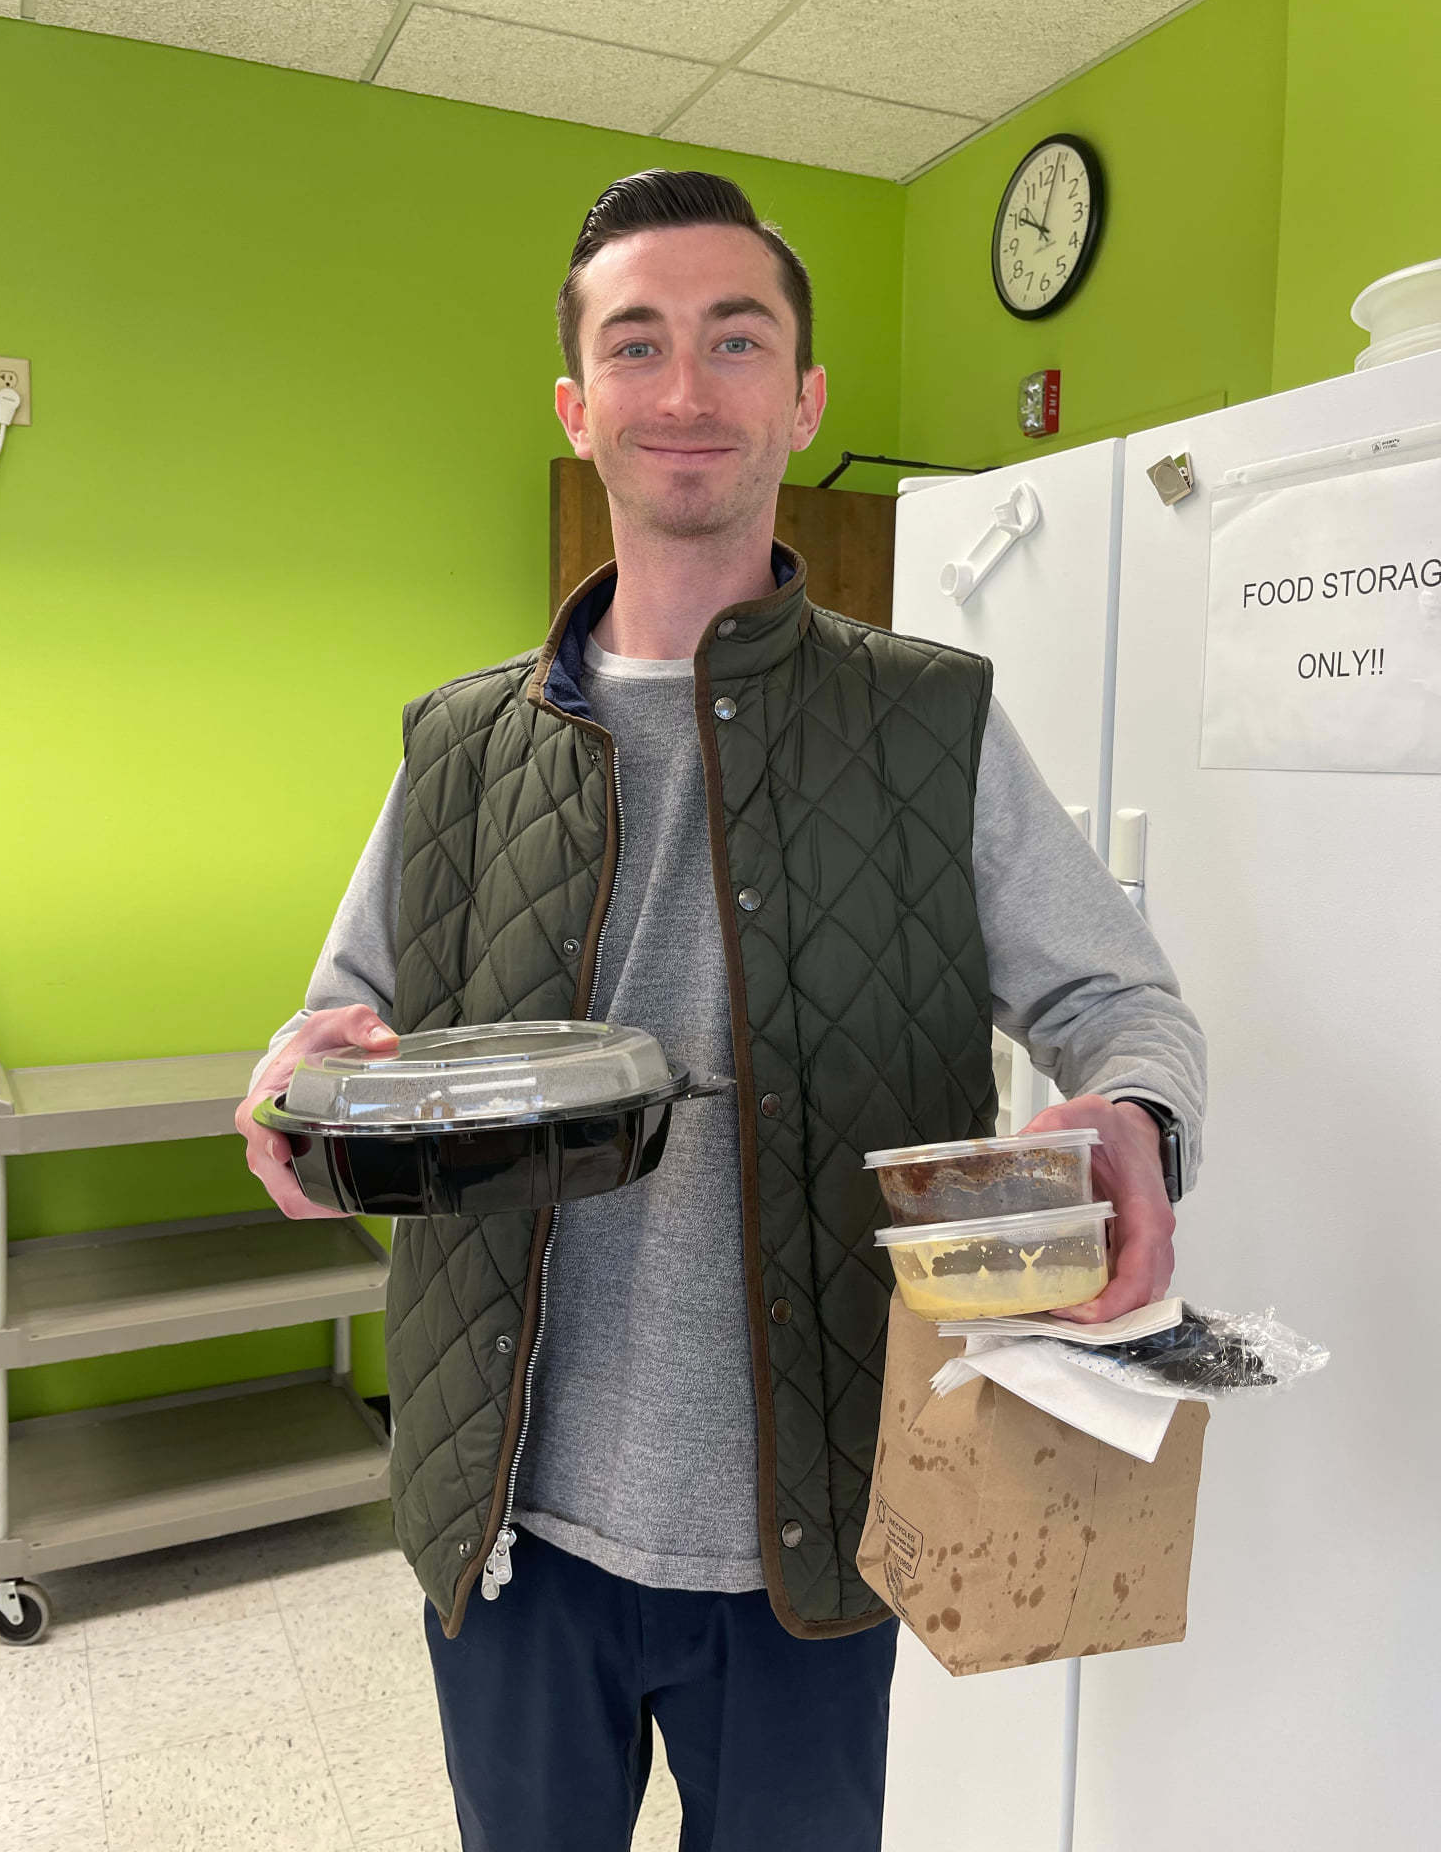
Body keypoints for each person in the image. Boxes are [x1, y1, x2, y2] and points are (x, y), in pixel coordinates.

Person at [236, 168, 1205, 1852]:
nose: (687, 390)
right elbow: (337, 1042)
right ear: (578, 402)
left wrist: (1131, 1117)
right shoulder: (456, 750)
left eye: (736, 339)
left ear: (806, 395)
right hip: (511, 1531)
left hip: (816, 1539)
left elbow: (1124, 1004)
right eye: (639, 344)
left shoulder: (932, 729)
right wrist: (303, 1098)